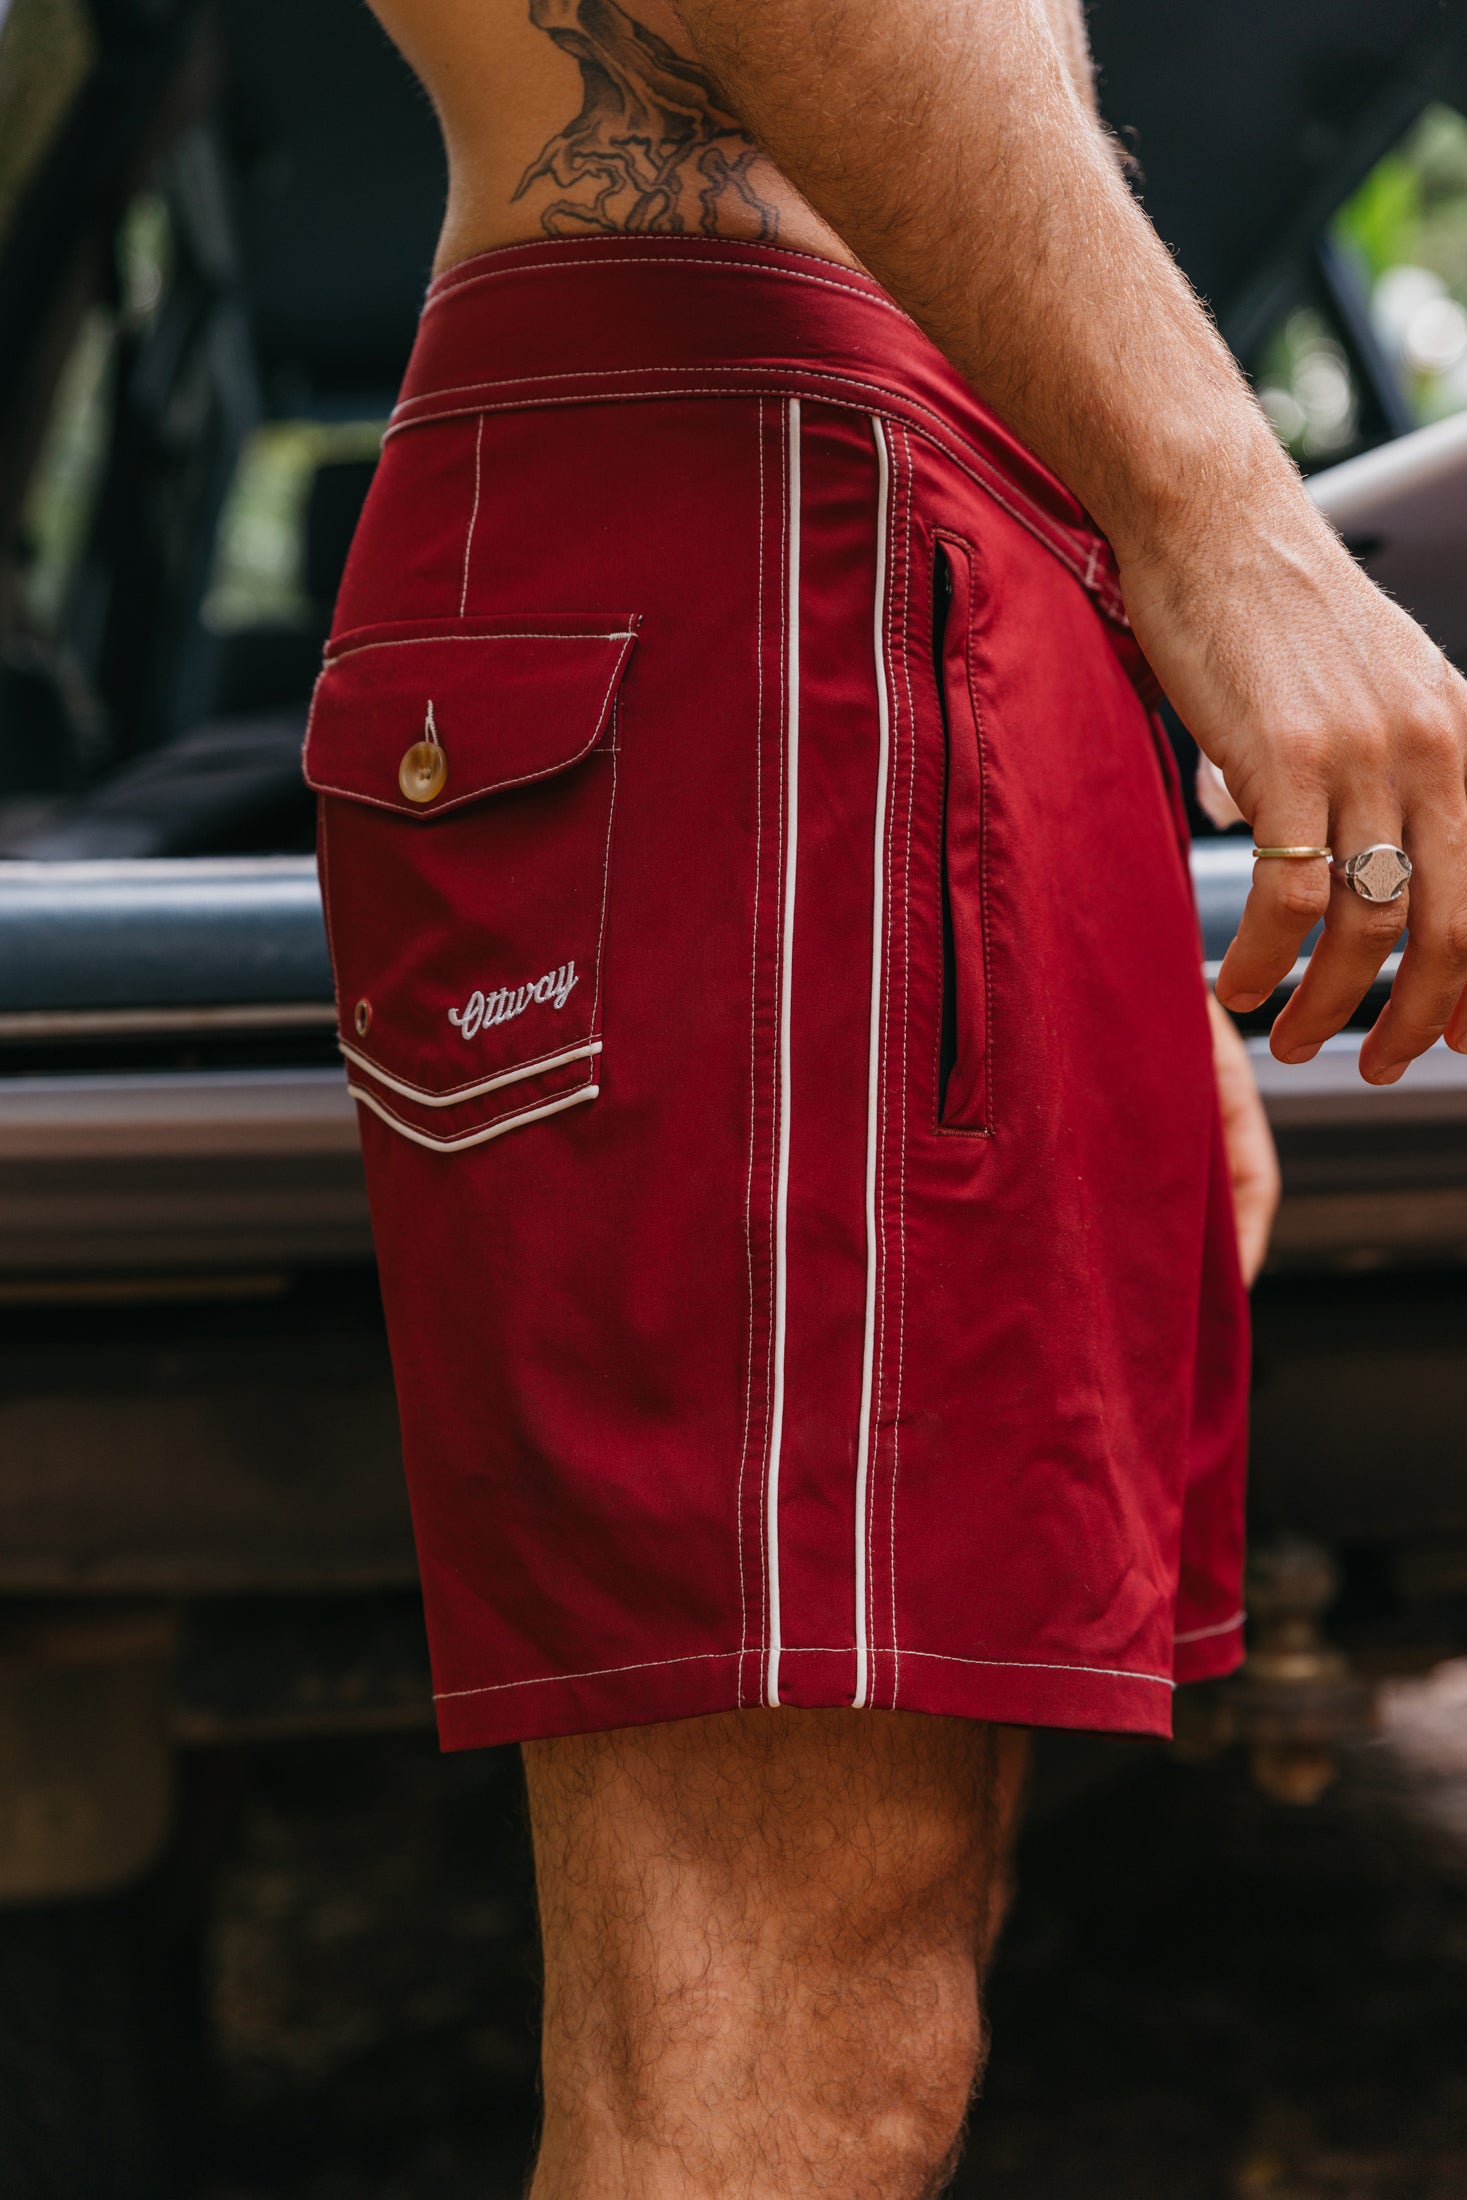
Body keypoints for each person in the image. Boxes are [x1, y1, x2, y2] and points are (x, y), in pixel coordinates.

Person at [302, 2, 1467, 2191]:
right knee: (778, 2037)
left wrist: (1085, 828)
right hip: (768, 505)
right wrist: (1232, 516)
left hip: (883, 536)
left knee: (879, 1950)